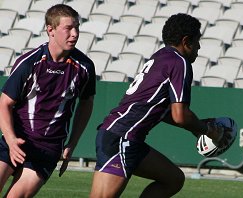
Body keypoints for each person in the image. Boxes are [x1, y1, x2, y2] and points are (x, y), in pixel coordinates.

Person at [90, 13, 229, 198]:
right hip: (123, 137)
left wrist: (196, 128)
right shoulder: (180, 62)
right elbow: (180, 115)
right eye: (197, 41)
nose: (199, 46)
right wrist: (208, 130)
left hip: (121, 134)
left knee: (173, 179)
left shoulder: (162, 56)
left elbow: (161, 111)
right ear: (186, 41)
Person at [0, 4, 96, 197]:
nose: (75, 34)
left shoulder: (85, 67)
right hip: (16, 139)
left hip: (48, 149)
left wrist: (73, 142)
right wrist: (11, 141)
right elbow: (4, 103)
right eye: (68, 28)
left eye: (77, 27)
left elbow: (86, 104)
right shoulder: (29, 63)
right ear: (50, 30)